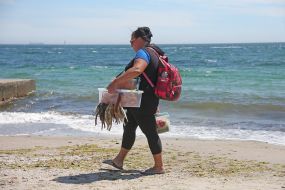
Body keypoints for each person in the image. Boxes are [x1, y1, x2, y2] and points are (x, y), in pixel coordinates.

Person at [106, 27, 165, 175]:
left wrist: (115, 83)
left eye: (132, 40)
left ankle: (159, 166)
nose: (131, 43)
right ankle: (119, 160)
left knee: (150, 132)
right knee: (129, 127)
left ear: (140, 39)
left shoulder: (143, 52)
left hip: (142, 101)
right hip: (139, 100)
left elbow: (137, 70)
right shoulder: (155, 52)